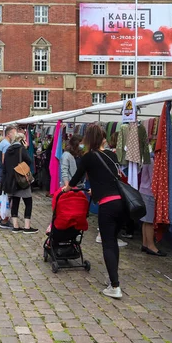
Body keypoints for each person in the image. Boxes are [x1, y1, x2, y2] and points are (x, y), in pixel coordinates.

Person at [63, 125, 125, 299]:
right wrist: (95, 191)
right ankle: (113, 278)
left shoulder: (88, 157)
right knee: (113, 242)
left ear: (89, 139)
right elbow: (107, 180)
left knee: (108, 244)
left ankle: (115, 286)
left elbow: (75, 180)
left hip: (107, 206)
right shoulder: (112, 155)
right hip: (120, 204)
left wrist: (67, 189)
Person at [2, 133, 38, 234]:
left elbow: (4, 167)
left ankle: (15, 226)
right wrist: (25, 148)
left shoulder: (8, 150)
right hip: (21, 180)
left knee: (15, 202)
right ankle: (27, 227)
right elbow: (29, 161)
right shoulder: (22, 149)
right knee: (28, 202)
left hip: (11, 181)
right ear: (22, 140)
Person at [0, 126, 16, 228]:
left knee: (0, 196)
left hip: (1, 172)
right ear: (9, 134)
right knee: (4, 197)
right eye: (14, 133)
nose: (15, 135)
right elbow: (4, 160)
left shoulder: (2, 143)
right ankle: (3, 219)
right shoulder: (7, 145)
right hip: (5, 174)